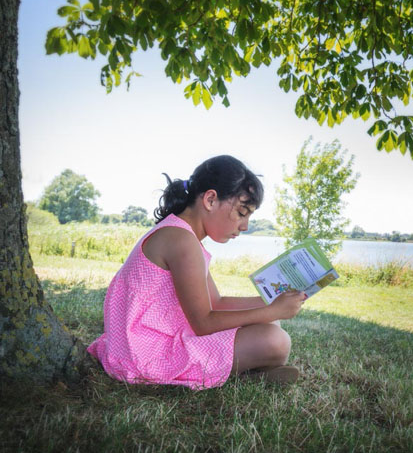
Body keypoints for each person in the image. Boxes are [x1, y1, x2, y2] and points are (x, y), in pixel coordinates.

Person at [87, 155, 306, 389]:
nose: (245, 227)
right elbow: (204, 323)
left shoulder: (183, 236)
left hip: (149, 345)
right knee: (275, 340)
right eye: (242, 213)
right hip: (146, 358)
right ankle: (242, 374)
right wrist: (272, 310)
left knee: (273, 325)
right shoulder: (181, 240)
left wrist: (273, 305)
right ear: (210, 199)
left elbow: (217, 302)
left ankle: (245, 371)